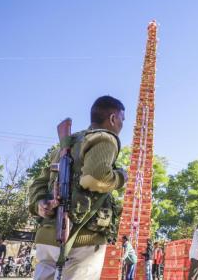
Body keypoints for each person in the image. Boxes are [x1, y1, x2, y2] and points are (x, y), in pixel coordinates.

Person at [28, 95, 128, 280]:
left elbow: (39, 182)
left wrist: (40, 203)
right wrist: (121, 177)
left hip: (48, 237)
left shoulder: (67, 145)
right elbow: (94, 178)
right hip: (82, 239)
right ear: (113, 118)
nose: (122, 125)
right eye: (122, 119)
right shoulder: (104, 138)